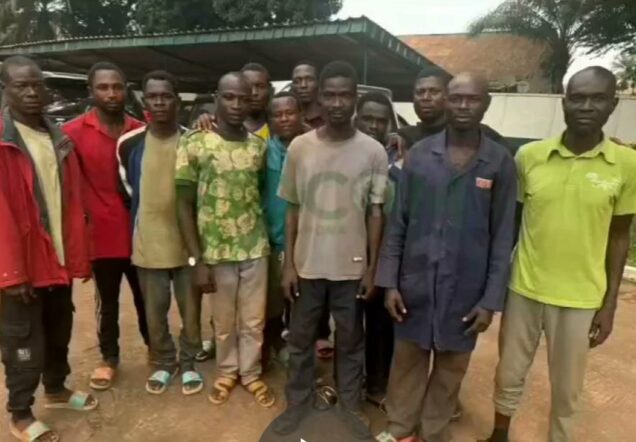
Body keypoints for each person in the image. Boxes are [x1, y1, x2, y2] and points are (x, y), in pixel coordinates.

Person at [485, 67, 636, 442]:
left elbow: (619, 236)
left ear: (613, 104)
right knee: (508, 372)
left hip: (581, 298)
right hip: (524, 288)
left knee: (567, 387)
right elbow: (510, 224)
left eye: (597, 99)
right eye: (577, 97)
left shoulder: (627, 164)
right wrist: (497, 282)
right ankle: (499, 435)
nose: (586, 106)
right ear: (564, 102)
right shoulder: (529, 156)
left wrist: (609, 304)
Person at [375, 73, 517, 442]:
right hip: (415, 283)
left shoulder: (499, 162)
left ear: (486, 104)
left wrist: (490, 301)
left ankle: (434, 432)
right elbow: (398, 223)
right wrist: (389, 282)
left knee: (451, 368)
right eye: (456, 98)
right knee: (407, 361)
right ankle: (399, 428)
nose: (463, 106)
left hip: (466, 290)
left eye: (473, 99)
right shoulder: (420, 156)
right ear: (446, 102)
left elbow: (503, 236)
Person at [271, 61, 388, 439]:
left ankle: (350, 408)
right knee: (300, 340)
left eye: (345, 95)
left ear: (355, 99)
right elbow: (292, 208)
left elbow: (375, 212)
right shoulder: (300, 147)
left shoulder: (373, 151)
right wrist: (289, 265)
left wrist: (371, 267)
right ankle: (298, 406)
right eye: (330, 95)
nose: (337, 103)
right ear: (319, 98)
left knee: (350, 341)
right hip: (306, 265)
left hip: (351, 269)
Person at [0, 55, 98, 442]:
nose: (31, 92)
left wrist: (77, 255)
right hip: (20, 266)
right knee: (23, 342)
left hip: (55, 261)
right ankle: (21, 412)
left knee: (59, 331)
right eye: (21, 85)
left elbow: (71, 203)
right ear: (6, 90)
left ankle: (56, 390)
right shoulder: (4, 141)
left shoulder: (57, 137)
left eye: (36, 84)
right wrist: (10, 273)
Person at [176, 72, 275, 408]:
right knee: (223, 321)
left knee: (253, 320)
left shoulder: (258, 147)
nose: (236, 105)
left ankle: (251, 373)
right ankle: (227, 371)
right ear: (216, 98)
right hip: (215, 251)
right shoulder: (195, 142)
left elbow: (258, 192)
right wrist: (196, 259)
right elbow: (183, 203)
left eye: (243, 99)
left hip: (254, 247)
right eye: (229, 97)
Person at [63, 61, 149, 391]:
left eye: (117, 87)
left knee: (148, 298)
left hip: (140, 233)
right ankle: (108, 358)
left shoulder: (140, 130)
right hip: (100, 235)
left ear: (126, 90)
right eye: (103, 87)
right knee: (107, 303)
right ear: (91, 91)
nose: (111, 93)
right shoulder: (71, 133)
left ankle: (156, 349)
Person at [117, 71, 204, 396]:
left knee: (191, 311)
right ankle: (166, 362)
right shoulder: (129, 144)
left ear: (177, 101)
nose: (159, 102)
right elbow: (127, 190)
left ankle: (190, 361)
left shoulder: (193, 141)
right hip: (148, 244)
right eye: (152, 96)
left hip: (187, 245)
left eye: (166, 96)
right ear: (145, 102)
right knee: (154, 313)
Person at [354, 92, 395, 403]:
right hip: (347, 251)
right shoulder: (344, 152)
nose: (374, 125)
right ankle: (349, 383)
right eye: (368, 118)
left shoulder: (397, 158)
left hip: (384, 255)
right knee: (349, 323)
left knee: (381, 324)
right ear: (357, 118)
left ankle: (377, 383)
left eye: (381, 120)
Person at [262, 91, 305, 368]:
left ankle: (299, 347)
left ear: (300, 115)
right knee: (272, 300)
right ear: (270, 121)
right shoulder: (263, 152)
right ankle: (273, 342)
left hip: (307, 241)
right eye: (277, 115)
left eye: (290, 113)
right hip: (273, 238)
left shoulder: (312, 149)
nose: (284, 119)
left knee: (301, 300)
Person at [241, 62, 272, 139]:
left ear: (269, 90)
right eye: (248, 86)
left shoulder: (279, 127)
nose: (254, 92)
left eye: (261, 86)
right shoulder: (222, 127)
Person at [291, 60, 324, 129]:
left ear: (318, 83)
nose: (303, 85)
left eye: (309, 80)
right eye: (297, 81)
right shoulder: (286, 119)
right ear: (292, 86)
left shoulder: (329, 117)